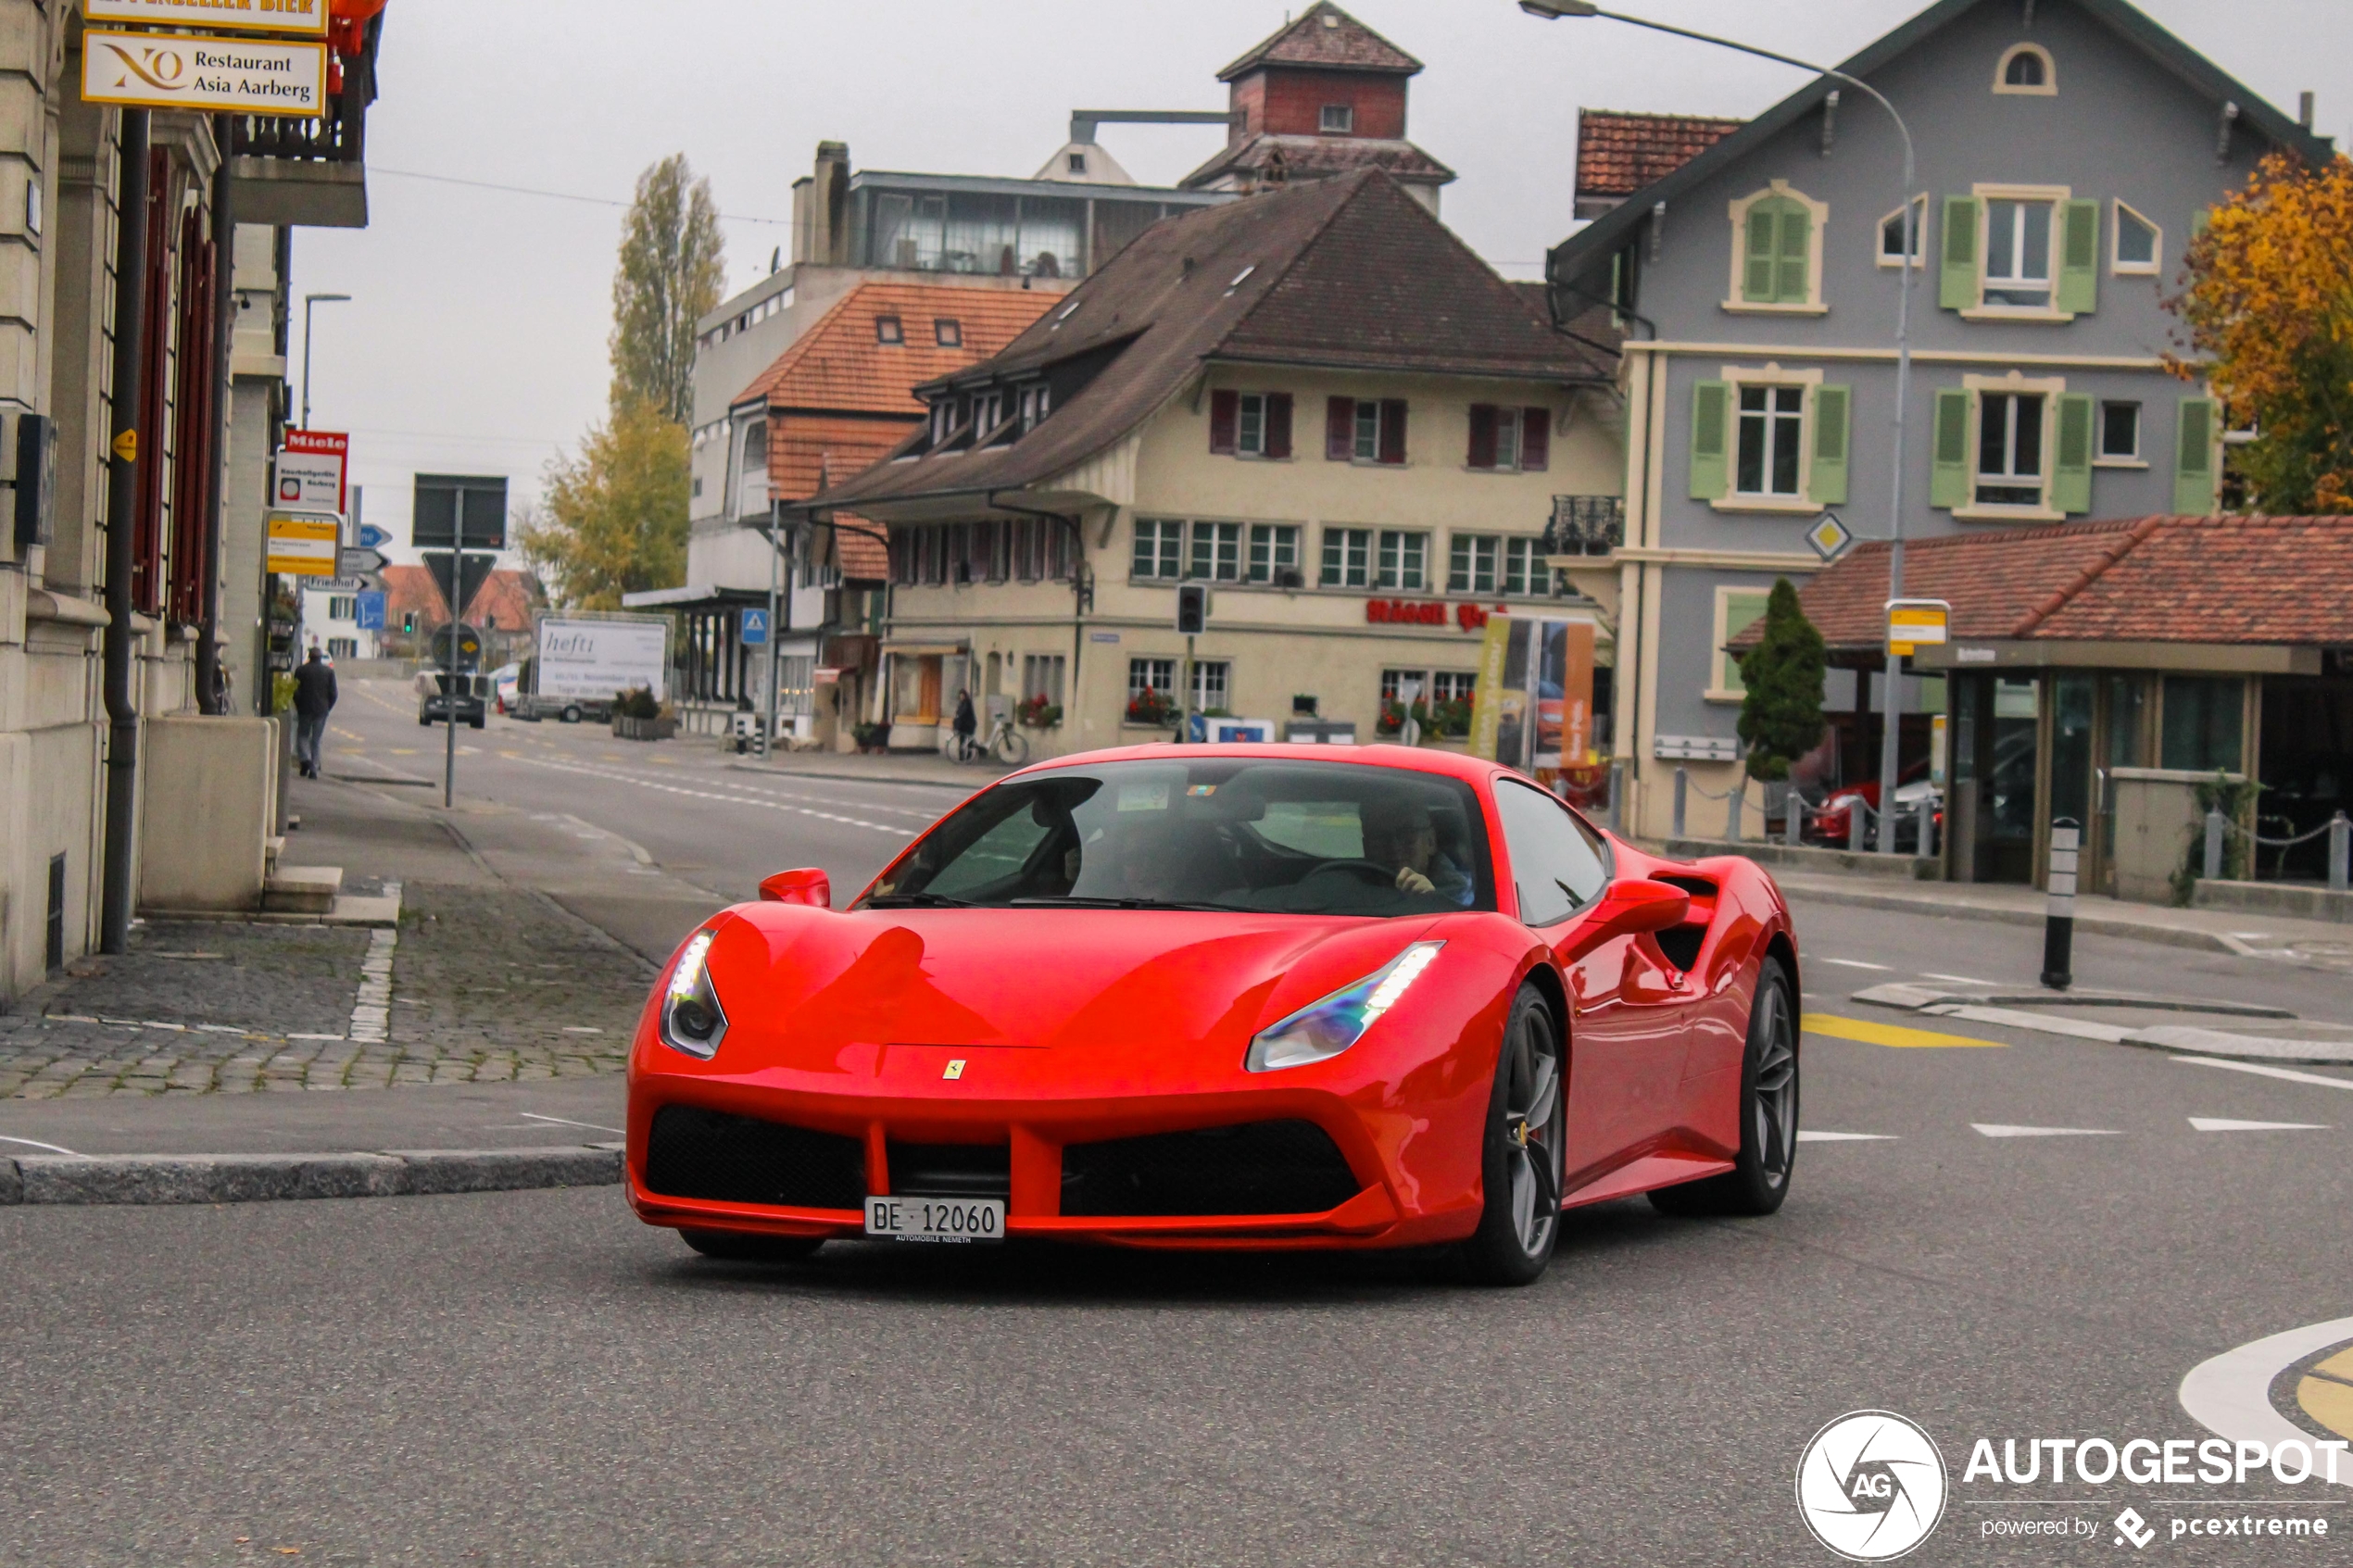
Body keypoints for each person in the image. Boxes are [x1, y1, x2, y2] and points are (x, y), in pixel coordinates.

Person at [1362, 796, 1474, 906]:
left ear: (1430, 842)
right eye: (1380, 836)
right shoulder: (1350, 893)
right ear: (1366, 847)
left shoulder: (1465, 894)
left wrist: (1433, 902)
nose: (1394, 847)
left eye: (1407, 834)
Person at [292, 645, 337, 779]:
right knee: (316, 739)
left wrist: (298, 704)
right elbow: (334, 693)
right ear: (320, 658)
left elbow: (295, 690)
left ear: (309, 657)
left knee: (302, 736)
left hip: (305, 708)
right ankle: (314, 766)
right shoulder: (328, 672)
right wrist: (327, 707)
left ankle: (305, 760)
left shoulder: (301, 670)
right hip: (321, 710)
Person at [950, 688, 977, 760]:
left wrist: (958, 715)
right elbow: (959, 712)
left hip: (969, 724)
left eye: (963, 696)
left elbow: (963, 712)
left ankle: (969, 756)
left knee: (968, 741)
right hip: (963, 725)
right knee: (962, 741)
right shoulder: (962, 703)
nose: (961, 697)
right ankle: (961, 757)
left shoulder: (967, 703)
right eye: (961, 696)